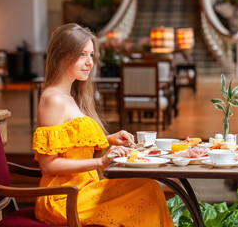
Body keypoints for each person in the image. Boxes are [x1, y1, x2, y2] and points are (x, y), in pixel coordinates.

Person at [32, 23, 174, 227]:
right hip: (64, 197)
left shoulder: (69, 97)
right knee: (147, 191)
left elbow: (71, 146)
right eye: (82, 54)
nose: (89, 62)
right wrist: (100, 162)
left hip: (85, 189)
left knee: (149, 188)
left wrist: (108, 139)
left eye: (91, 55)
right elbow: (48, 164)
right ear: (62, 56)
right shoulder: (52, 99)